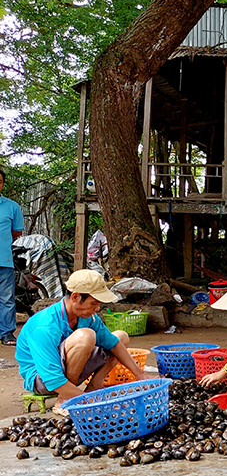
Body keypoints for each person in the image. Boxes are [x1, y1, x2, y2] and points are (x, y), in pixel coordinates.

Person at [14, 270, 150, 401]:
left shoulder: (87, 317)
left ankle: (94, 387)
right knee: (86, 336)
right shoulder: (44, 326)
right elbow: (52, 379)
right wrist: (87, 401)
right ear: (75, 297)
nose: (97, 309)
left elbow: (113, 344)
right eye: (93, 303)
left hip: (70, 372)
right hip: (43, 380)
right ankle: (65, 398)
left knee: (121, 336)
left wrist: (140, 375)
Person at [0, 168, 24, 345]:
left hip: (4, 260)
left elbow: (17, 232)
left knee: (6, 298)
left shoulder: (12, 207)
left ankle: (7, 333)